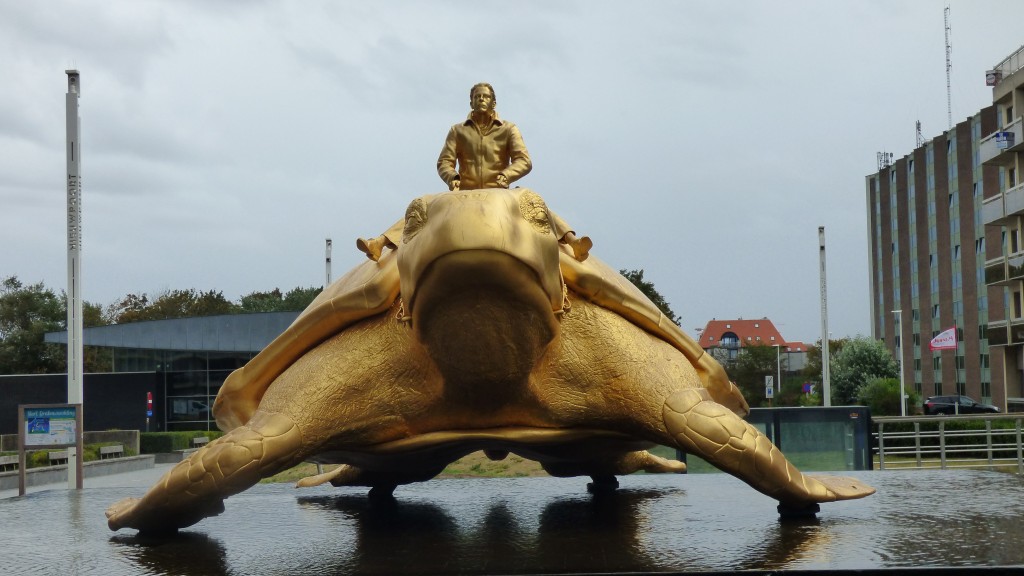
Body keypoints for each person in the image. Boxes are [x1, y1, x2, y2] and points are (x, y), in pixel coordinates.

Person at [356, 82, 591, 262]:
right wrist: (452, 177)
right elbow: (444, 162)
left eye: (485, 96)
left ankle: (573, 241)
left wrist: (507, 175)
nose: (481, 100)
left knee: (534, 203)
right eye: (477, 97)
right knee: (423, 207)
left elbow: (524, 160)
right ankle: (379, 243)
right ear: (471, 102)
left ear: (493, 103)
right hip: (463, 192)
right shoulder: (457, 131)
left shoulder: (508, 129)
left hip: (500, 191)